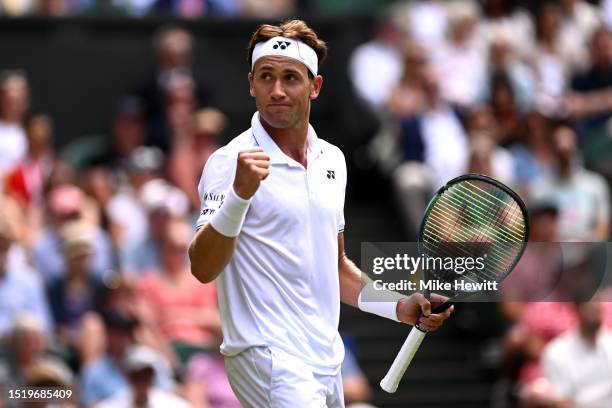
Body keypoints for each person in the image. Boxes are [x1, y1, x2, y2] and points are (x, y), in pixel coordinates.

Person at [188, 19, 453, 408]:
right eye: (266, 77)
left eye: (290, 78)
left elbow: (337, 265)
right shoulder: (229, 162)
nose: (277, 90)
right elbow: (201, 266)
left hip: (326, 359)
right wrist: (239, 196)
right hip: (266, 355)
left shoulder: (333, 159)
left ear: (315, 86)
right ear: (251, 83)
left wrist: (398, 306)